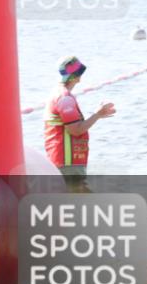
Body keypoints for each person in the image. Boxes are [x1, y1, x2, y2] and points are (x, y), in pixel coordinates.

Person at [44, 56, 116, 190]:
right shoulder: (64, 98)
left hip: (65, 162)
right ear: (73, 76)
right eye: (79, 73)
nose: (80, 78)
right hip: (67, 163)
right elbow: (75, 130)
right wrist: (98, 114)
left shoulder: (59, 94)